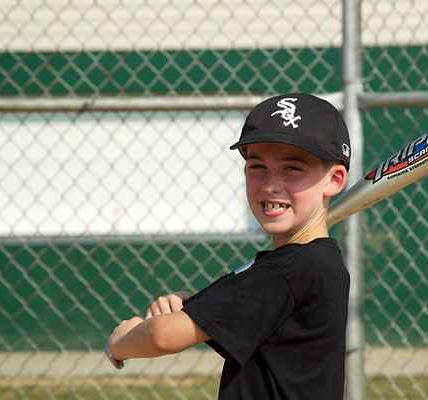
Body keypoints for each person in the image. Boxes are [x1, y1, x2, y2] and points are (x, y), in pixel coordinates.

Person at [105, 93, 351, 399]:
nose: (271, 184)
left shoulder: (289, 270)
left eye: (292, 169)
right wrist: (192, 306)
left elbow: (161, 336)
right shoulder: (309, 262)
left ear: (334, 179)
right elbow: (237, 311)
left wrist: (121, 340)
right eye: (257, 167)